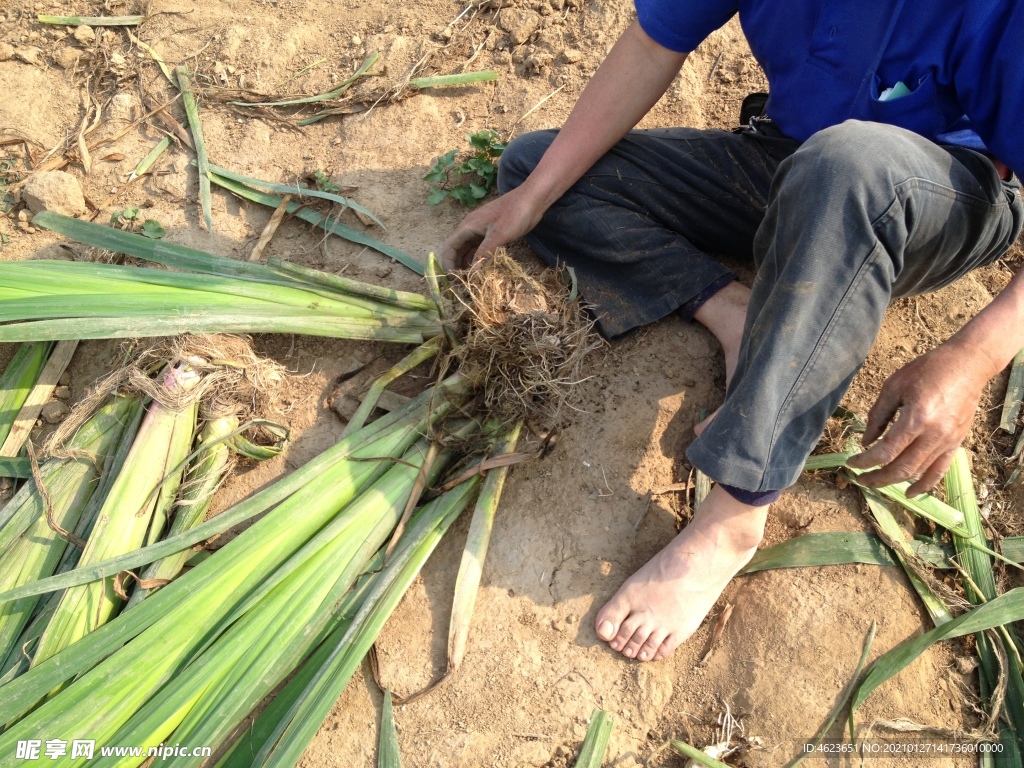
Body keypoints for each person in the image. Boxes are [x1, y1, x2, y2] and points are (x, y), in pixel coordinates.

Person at [441, 1, 1024, 663]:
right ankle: (732, 311)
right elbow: (651, 45)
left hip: (939, 194)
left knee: (849, 164)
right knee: (537, 168)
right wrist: (535, 196)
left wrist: (973, 357)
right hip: (793, 157)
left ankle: (736, 514)